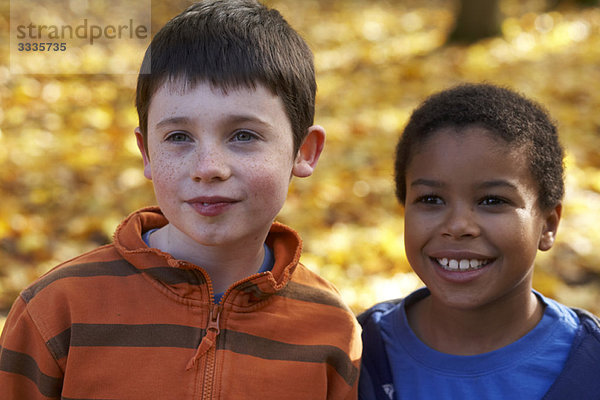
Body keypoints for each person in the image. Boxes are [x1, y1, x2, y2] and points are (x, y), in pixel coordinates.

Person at [0, 1, 362, 398]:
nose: (208, 167)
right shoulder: (56, 310)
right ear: (147, 153)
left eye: (243, 135)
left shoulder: (331, 330)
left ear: (304, 151)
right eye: (178, 137)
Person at [358, 83, 600, 400]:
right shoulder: (354, 354)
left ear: (548, 225)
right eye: (431, 199)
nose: (458, 226)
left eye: (491, 201)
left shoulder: (590, 366)